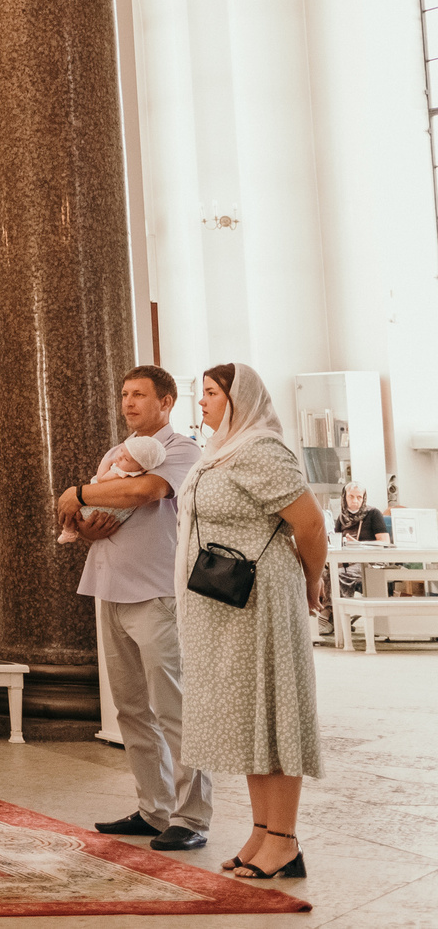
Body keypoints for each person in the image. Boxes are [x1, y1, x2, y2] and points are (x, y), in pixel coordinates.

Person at [178, 363, 327, 882]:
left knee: (273, 711)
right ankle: (263, 831)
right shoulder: (224, 450)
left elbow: (308, 524)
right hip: (224, 606)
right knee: (248, 717)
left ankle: (285, 841)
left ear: (239, 400)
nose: (203, 403)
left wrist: (310, 584)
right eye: (202, 394)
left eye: (212, 393)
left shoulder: (262, 450)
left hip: (262, 601)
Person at [58, 366, 208, 850]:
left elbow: (146, 491)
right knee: (130, 710)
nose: (128, 402)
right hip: (111, 589)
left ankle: (192, 817)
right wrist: (84, 525)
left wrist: (77, 492)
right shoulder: (114, 453)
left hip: (158, 593)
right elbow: (103, 509)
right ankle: (154, 808)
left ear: (166, 402)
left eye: (139, 394)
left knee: (174, 707)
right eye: (124, 394)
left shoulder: (184, 449)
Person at [57, 433, 170, 543]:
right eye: (121, 450)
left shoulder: (121, 472)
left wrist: (105, 463)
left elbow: (102, 479)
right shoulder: (136, 470)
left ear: (141, 468)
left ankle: (68, 530)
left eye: (125, 459)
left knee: (73, 512)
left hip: (100, 509)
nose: (119, 456)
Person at [333, 484, 390, 599]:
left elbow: (385, 542)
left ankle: (335, 612)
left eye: (359, 497)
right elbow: (336, 541)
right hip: (348, 561)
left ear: (364, 498)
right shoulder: (341, 518)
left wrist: (359, 545)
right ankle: (333, 610)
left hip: (370, 561)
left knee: (339, 575)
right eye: (351, 496)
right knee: (326, 574)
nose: (355, 501)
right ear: (344, 498)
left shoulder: (373, 513)